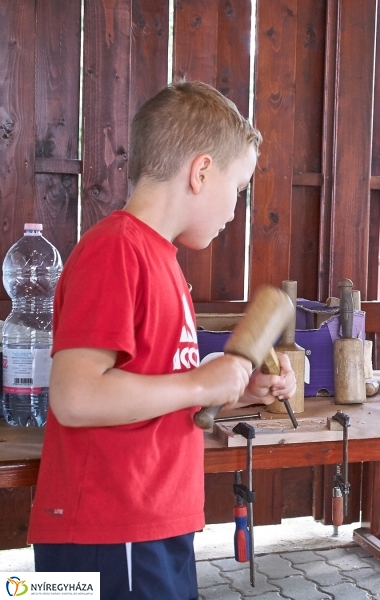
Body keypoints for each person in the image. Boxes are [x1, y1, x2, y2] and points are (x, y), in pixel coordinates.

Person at [28, 80, 297, 599]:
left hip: (149, 524)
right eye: (237, 190)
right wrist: (200, 384)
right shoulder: (115, 252)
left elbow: (152, 385)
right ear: (200, 172)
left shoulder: (161, 259)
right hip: (111, 531)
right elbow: (76, 396)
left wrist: (235, 390)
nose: (234, 212)